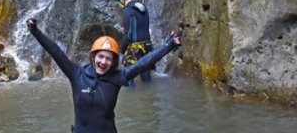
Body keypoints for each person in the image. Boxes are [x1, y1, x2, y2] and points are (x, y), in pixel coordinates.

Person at [26, 18, 181, 133]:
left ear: (113, 62)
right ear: (93, 57)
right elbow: (56, 52)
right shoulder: (77, 74)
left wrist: (169, 45)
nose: (103, 62)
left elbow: (144, 63)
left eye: (108, 58)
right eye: (100, 56)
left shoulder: (118, 77)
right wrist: (35, 31)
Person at [115, 0, 152, 86]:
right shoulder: (143, 7)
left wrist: (122, 51)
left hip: (134, 50)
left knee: (128, 77)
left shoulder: (127, 10)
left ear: (122, 0)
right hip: (148, 46)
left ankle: (131, 96)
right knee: (146, 77)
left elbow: (128, 35)